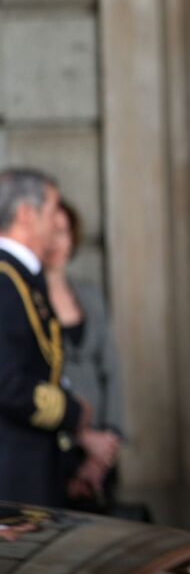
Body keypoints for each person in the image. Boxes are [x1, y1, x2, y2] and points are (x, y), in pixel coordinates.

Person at [0, 168, 119, 508]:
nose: (57, 224)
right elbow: (9, 384)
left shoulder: (21, 277)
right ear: (26, 214)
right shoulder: (6, 282)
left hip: (36, 467)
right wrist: (72, 411)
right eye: (52, 211)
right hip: (15, 476)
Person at [43, 200, 125, 511]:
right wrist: (80, 437)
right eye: (50, 232)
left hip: (101, 448)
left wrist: (106, 445)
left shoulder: (89, 295)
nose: (56, 242)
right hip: (55, 445)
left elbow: (111, 371)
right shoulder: (26, 300)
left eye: (63, 232)